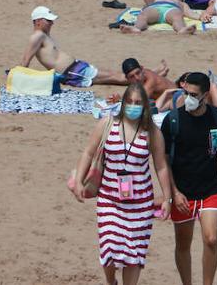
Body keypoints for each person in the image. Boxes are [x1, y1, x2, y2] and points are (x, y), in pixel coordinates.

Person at [73, 82, 173, 285]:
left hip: (140, 203)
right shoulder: (107, 124)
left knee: (134, 256)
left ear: (145, 105)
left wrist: (167, 197)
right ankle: (111, 281)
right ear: (123, 102)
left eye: (138, 102)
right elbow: (88, 152)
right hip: (110, 198)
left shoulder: (152, 133)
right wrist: (78, 181)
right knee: (109, 247)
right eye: (129, 101)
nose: (133, 106)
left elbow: (161, 166)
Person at [161, 71, 217, 285]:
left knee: (211, 239)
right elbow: (163, 161)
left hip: (210, 189)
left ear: (205, 96)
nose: (189, 98)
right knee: (183, 244)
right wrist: (173, 192)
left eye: (194, 95)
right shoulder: (173, 120)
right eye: (186, 93)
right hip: (182, 191)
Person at [22, 6, 126, 87]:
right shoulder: (37, 36)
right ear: (37, 21)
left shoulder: (44, 36)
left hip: (76, 68)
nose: (52, 23)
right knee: (114, 76)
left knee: (112, 75)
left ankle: (137, 78)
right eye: (48, 21)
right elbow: (25, 61)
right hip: (72, 73)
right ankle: (138, 79)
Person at [128, 0, 194, 34]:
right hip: (155, 8)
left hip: (171, 9)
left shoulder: (181, 3)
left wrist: (201, 17)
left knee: (177, 17)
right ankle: (136, 28)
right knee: (143, 15)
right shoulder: (154, 0)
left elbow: (189, 13)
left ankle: (181, 29)